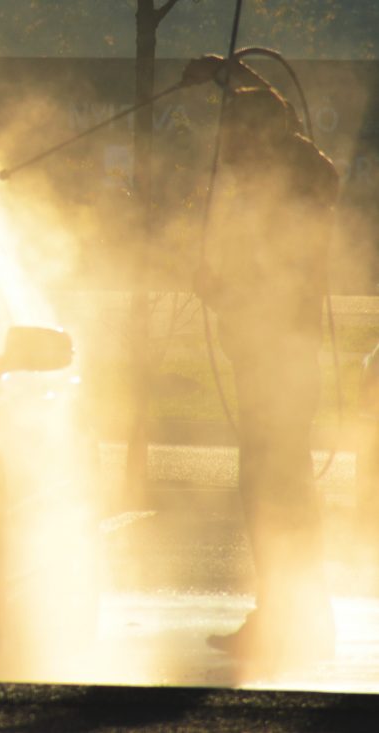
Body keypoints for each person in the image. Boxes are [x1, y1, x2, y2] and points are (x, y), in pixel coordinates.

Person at [186, 56, 340, 677]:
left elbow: (263, 287)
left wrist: (217, 290)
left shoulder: (297, 179)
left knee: (274, 491)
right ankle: (294, 616)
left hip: (280, 359)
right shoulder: (299, 174)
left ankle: (288, 619)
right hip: (277, 359)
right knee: (280, 490)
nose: (232, 157)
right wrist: (227, 74)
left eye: (237, 142)